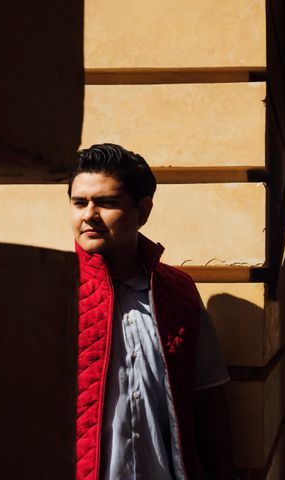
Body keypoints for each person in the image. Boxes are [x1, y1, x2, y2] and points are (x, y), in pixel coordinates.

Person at [69, 143, 235, 480]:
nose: (88, 214)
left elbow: (208, 398)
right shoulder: (52, 289)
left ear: (142, 211)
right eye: (78, 203)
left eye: (106, 203)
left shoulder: (179, 292)